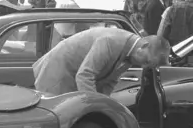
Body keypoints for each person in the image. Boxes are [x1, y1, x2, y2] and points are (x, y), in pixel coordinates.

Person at [33, 27, 170, 96]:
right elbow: (85, 75)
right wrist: (95, 106)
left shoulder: (130, 53)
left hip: (70, 76)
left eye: (147, 65)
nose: (142, 65)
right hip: (56, 73)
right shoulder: (110, 42)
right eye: (146, 61)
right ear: (144, 46)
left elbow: (109, 81)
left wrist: (105, 105)